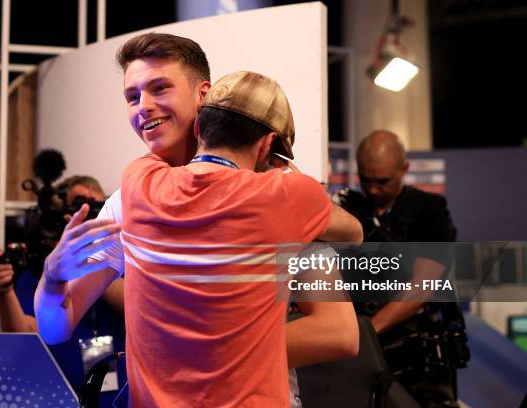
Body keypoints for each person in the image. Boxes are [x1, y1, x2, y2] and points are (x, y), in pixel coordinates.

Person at [35, 33, 360, 403]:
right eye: (132, 96)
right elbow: (55, 325)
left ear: (203, 95)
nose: (143, 106)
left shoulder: (276, 192)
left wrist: (204, 352)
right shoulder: (131, 198)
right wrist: (51, 276)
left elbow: (338, 331)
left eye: (160, 88)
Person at [339, 130, 469, 407]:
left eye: (383, 182)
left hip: (420, 365)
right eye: (366, 180)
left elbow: (422, 286)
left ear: (405, 169)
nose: (373, 190)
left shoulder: (430, 211)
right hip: (362, 364)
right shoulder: (347, 210)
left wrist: (366, 334)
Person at [0, 175, 126, 400]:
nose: (89, 219)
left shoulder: (121, 261)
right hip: (58, 394)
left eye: (96, 212)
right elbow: (26, 334)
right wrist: (5, 291)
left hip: (119, 396)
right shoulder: (43, 271)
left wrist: (92, 256)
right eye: (80, 209)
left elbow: (134, 305)